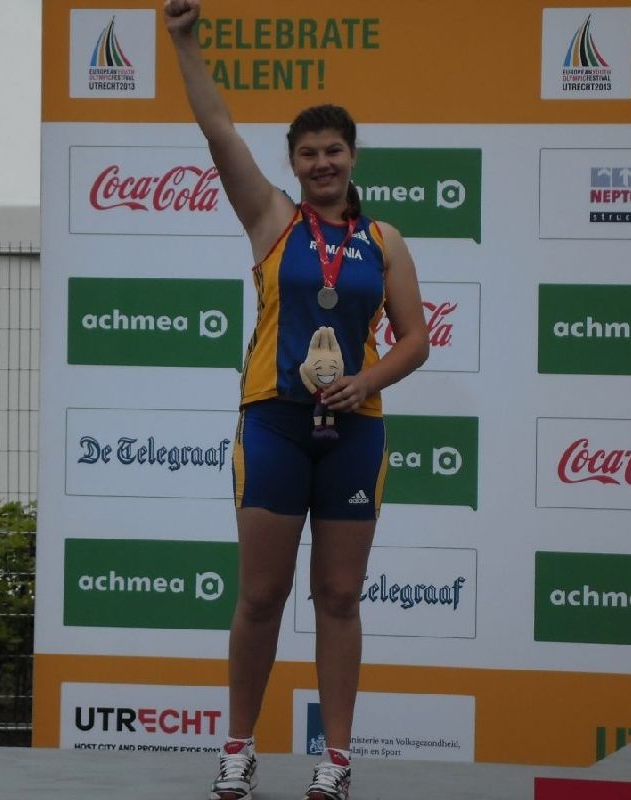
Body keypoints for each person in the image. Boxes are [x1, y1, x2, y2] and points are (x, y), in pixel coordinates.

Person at [163, 2, 429, 799]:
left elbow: (414, 339)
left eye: (333, 150)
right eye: (307, 153)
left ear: (352, 156)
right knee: (260, 595)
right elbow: (218, 131)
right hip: (274, 424)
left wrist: (367, 381)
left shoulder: (383, 240)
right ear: (292, 161)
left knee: (339, 597)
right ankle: (237, 746)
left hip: (354, 430)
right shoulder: (272, 218)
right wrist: (185, 41)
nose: (321, 163)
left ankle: (335, 758)